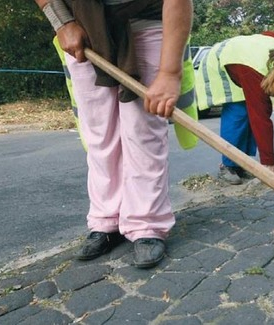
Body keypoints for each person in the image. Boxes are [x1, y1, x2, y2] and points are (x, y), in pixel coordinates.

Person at [34, 0, 198, 268]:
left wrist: (170, 72)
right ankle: (106, 219)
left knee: (142, 132)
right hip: (83, 31)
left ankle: (147, 223)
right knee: (100, 133)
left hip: (146, 23)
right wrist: (62, 21)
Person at [195, 32, 274, 185]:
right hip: (221, 62)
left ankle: (242, 163)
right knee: (239, 112)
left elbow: (269, 34)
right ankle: (228, 166)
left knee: (251, 113)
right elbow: (261, 119)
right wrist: (269, 163)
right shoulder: (254, 73)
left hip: (242, 59)